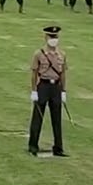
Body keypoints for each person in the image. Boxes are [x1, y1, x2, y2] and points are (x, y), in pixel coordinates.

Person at [27, 26, 67, 157]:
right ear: (46, 38)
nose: (54, 40)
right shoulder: (39, 54)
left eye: (55, 37)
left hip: (55, 87)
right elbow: (34, 73)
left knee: (57, 118)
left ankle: (58, 147)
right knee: (38, 117)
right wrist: (34, 91)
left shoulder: (62, 54)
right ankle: (33, 145)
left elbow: (63, 73)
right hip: (43, 85)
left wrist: (63, 91)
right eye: (51, 37)